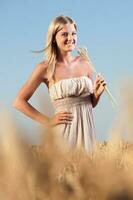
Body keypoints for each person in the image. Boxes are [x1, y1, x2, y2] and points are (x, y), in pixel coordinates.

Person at [13, 15, 106, 153]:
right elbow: (18, 102)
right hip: (64, 132)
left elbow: (90, 103)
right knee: (63, 173)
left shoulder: (85, 63)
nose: (70, 38)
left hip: (87, 132)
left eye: (73, 33)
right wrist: (48, 121)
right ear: (54, 38)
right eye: (64, 34)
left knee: (88, 173)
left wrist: (97, 94)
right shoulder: (45, 68)